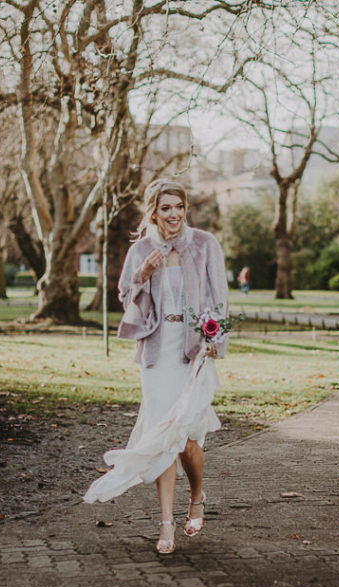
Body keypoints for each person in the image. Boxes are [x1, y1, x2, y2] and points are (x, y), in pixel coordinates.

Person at [83, 179, 230, 555]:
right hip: (157, 353)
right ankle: (166, 526)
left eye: (179, 207)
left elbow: (220, 298)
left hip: (193, 350)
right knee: (166, 435)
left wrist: (215, 339)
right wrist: (143, 275)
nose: (174, 214)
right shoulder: (141, 250)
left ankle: (197, 494)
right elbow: (126, 299)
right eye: (165, 208)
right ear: (153, 212)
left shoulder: (204, 245)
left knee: (189, 441)